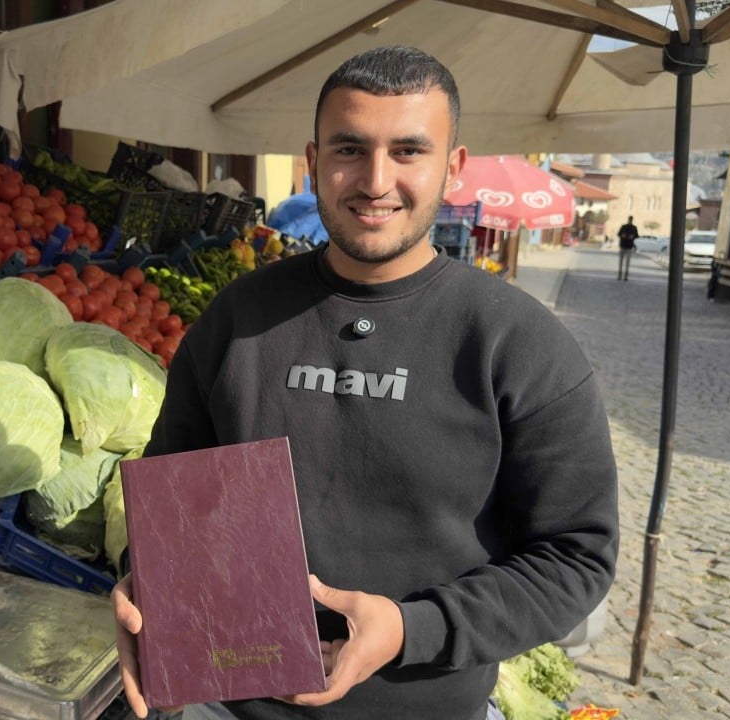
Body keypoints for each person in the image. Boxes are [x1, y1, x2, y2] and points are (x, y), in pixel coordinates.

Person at [112, 46, 618, 720]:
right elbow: (173, 501)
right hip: (228, 708)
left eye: (408, 151)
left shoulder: (518, 344)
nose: (376, 180)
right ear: (313, 159)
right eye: (350, 148)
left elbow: (575, 557)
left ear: (453, 166)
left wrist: (413, 629)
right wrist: (141, 581)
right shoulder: (237, 320)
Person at [617, 216, 639, 280]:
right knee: (621, 262)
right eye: (629, 219)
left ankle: (626, 276)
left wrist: (633, 236)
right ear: (628, 220)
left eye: (631, 220)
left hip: (629, 246)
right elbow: (619, 234)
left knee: (627, 262)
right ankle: (619, 276)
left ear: (632, 220)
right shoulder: (623, 227)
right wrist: (622, 235)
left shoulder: (634, 228)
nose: (630, 220)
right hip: (623, 246)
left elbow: (637, 235)